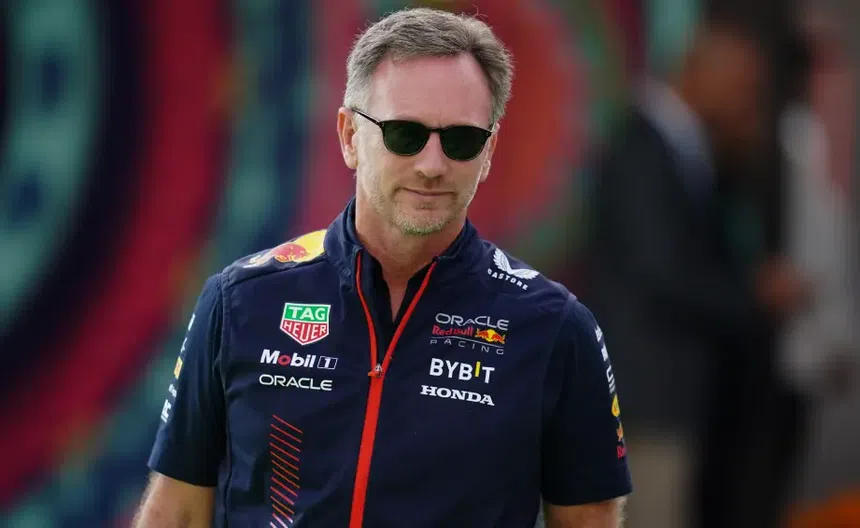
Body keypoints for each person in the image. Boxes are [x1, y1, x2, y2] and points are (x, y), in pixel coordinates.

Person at [132, 7, 631, 527]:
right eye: (404, 134)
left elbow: (588, 520)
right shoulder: (240, 300)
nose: (432, 165)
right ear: (350, 135)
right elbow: (177, 512)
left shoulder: (555, 328)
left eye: (461, 140)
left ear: (488, 153)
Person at [580, 18, 810, 528]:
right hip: (646, 395)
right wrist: (754, 293)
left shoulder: (690, 145)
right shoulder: (642, 145)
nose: (747, 102)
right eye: (740, 87)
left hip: (669, 394)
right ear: (700, 72)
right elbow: (662, 269)